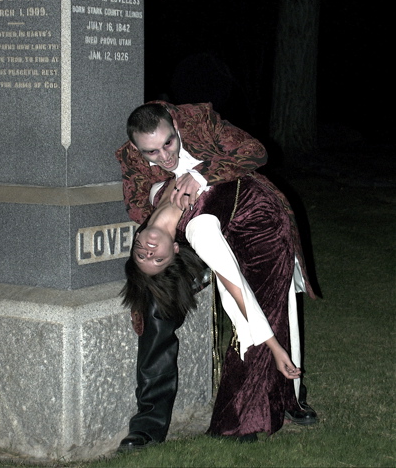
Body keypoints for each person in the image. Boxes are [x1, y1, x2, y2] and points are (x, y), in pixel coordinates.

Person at [115, 101, 317, 451]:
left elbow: (255, 152)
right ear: (136, 148)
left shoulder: (199, 123)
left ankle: (288, 398)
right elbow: (136, 205)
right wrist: (163, 194)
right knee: (154, 307)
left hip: (249, 218)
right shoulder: (135, 165)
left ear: (175, 128)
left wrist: (200, 174)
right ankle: (148, 425)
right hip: (195, 232)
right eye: (151, 152)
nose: (164, 157)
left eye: (169, 144)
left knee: (271, 301)